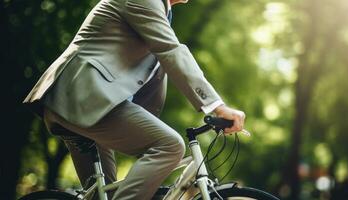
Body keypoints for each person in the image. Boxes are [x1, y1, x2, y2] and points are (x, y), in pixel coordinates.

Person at [23, 0, 245, 199]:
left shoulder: (161, 13)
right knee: (169, 145)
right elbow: (171, 51)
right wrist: (217, 106)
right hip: (84, 97)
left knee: (105, 195)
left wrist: (145, 127)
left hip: (91, 103)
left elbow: (159, 68)